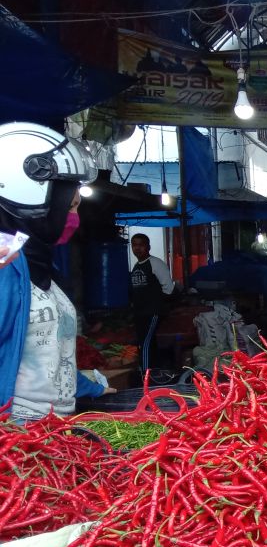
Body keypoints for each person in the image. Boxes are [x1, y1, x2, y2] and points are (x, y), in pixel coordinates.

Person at [0, 122, 112, 421]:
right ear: (30, 199)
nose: (73, 218)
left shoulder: (38, 266)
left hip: (49, 438)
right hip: (15, 439)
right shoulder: (4, 267)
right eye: (69, 206)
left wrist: (92, 388)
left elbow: (50, 357)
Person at [129, 233, 176, 373]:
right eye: (134, 245)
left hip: (152, 311)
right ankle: (155, 371)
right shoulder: (137, 266)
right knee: (146, 342)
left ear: (148, 247)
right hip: (140, 312)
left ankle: (145, 374)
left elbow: (169, 288)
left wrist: (157, 303)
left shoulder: (155, 263)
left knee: (145, 342)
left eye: (141, 245)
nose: (137, 248)